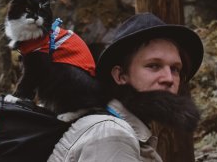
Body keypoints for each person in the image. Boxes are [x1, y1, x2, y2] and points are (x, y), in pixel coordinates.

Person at [48, 13, 204, 162]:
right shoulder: (112, 134)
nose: (169, 79)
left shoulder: (123, 130)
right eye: (154, 66)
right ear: (120, 76)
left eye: (175, 69)